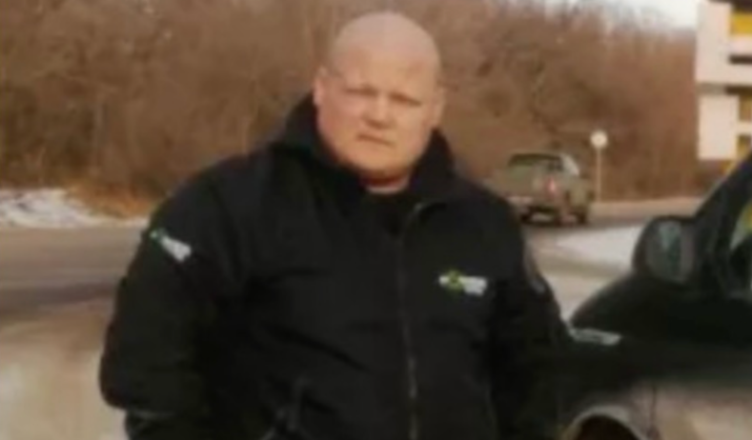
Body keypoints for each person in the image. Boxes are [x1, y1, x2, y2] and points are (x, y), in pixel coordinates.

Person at [100, 11, 567, 440]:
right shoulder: (228, 205)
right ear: (322, 87)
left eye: (404, 99)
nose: (379, 115)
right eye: (361, 91)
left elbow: (538, 368)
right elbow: (146, 365)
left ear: (435, 109)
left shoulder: (483, 223)